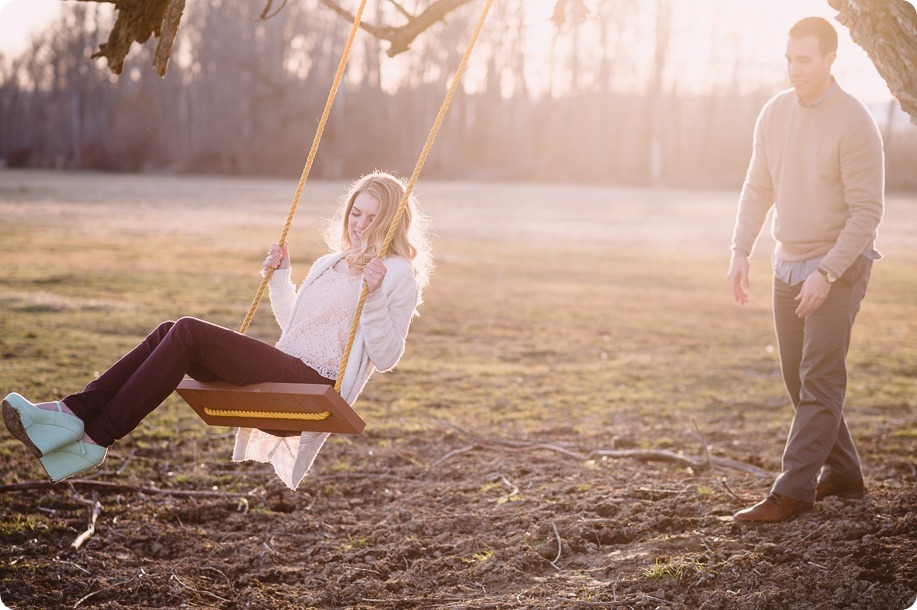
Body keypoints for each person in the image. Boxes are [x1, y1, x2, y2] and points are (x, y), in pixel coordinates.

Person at [2, 171, 433, 490]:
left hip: (317, 388)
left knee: (189, 332)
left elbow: (388, 355)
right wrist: (282, 277)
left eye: (372, 218)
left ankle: (96, 437)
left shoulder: (396, 274)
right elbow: (297, 326)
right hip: (289, 366)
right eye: (355, 212)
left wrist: (375, 296)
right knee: (170, 331)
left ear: (391, 223)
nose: (358, 224)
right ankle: (72, 413)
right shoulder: (330, 262)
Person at [727, 17, 884, 523]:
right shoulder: (774, 113)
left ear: (830, 59)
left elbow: (867, 214)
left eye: (805, 60)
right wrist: (740, 249)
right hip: (787, 264)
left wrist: (828, 273)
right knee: (800, 383)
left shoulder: (855, 122)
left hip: (838, 267)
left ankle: (792, 491)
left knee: (820, 380)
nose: (795, 69)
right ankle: (844, 473)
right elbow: (758, 186)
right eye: (790, 59)